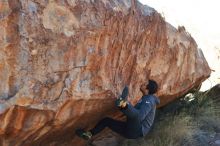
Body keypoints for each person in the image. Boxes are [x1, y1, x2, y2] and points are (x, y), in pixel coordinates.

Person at [76, 79, 160, 140]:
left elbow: (139, 116)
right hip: (130, 131)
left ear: (147, 89)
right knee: (106, 121)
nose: (142, 84)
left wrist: (126, 106)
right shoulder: (146, 98)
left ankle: (123, 103)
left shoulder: (149, 100)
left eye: (144, 84)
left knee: (135, 114)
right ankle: (89, 134)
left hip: (137, 130)